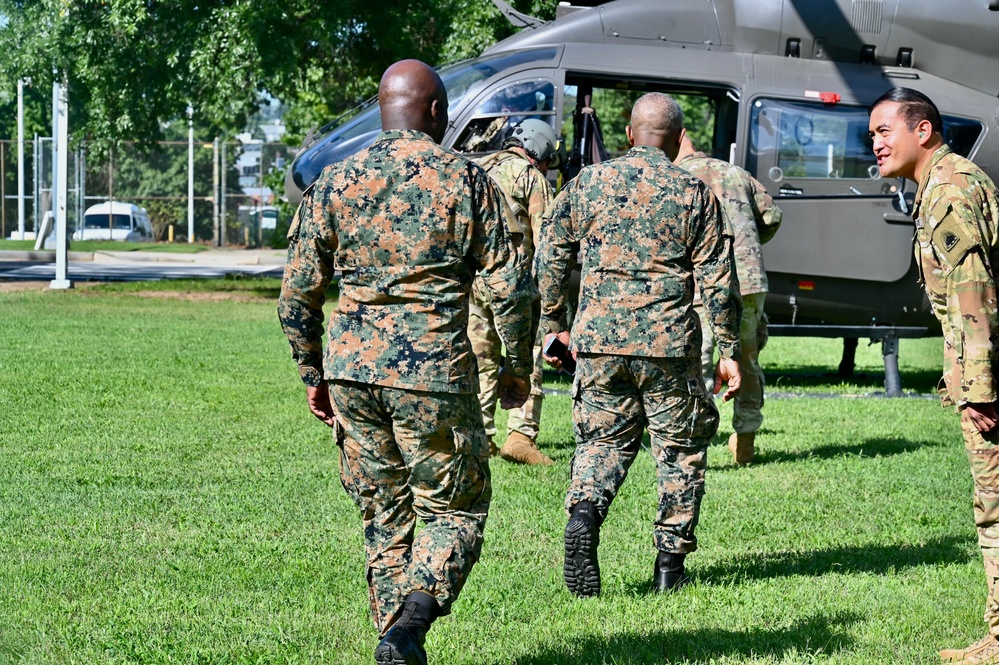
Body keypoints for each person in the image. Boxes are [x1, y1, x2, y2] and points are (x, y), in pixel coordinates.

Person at [277, 60, 536, 665]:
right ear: (439, 113)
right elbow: (511, 288)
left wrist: (313, 374)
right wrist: (517, 367)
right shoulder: (467, 182)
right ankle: (411, 625)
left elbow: (295, 294)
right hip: (434, 374)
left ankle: (393, 642)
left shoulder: (335, 183)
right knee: (456, 507)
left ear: (383, 107)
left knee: (382, 510)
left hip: (353, 374)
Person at [535, 92, 742, 597]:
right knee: (680, 451)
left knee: (600, 442)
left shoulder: (588, 183)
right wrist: (730, 350)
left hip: (599, 342)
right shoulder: (694, 192)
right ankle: (669, 568)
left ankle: (584, 513)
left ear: (629, 134)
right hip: (668, 344)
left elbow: (551, 252)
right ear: (676, 142)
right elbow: (718, 279)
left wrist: (553, 324)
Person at [869, 86, 999, 665]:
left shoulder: (948, 191)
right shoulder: (949, 183)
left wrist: (981, 389)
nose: (874, 143)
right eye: (872, 133)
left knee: (994, 507)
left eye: (883, 131)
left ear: (922, 131)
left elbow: (975, 295)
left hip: (991, 380)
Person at [676, 132, 783, 465]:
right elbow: (772, 216)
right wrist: (746, 245)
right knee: (747, 362)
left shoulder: (677, 178)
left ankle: (693, 447)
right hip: (749, 279)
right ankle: (746, 439)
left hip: (703, 283)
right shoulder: (736, 173)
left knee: (698, 363)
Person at [470, 118, 563, 465]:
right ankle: (521, 436)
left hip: (476, 282)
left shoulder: (478, 169)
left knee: (480, 357)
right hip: (515, 286)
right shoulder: (529, 177)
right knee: (528, 354)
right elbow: (547, 241)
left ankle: (481, 436)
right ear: (538, 147)